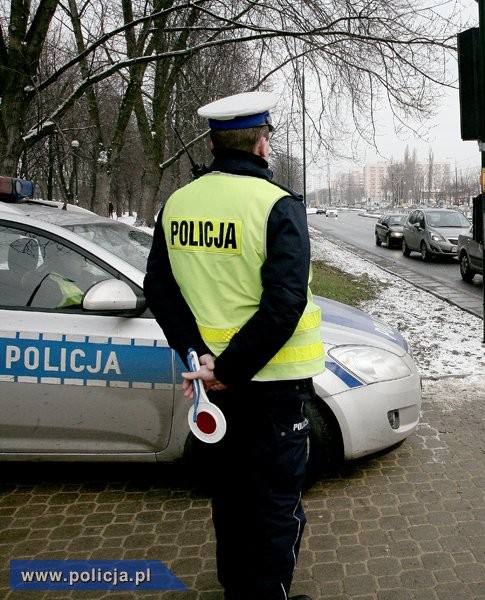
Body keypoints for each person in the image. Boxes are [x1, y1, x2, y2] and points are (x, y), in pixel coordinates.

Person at [143, 91, 324, 600]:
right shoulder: (277, 206)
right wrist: (229, 366)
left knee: (231, 497)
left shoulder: (178, 203)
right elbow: (284, 303)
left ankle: (238, 591)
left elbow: (159, 287)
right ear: (261, 144)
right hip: (270, 390)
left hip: (212, 390)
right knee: (274, 506)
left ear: (216, 141)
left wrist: (198, 356)